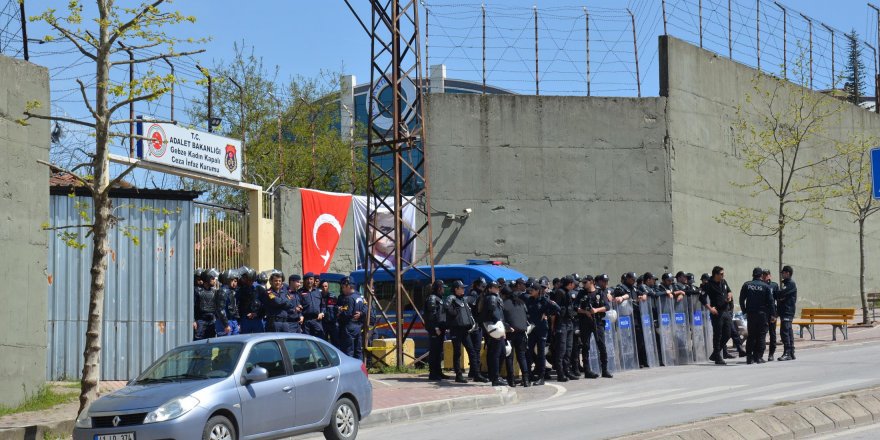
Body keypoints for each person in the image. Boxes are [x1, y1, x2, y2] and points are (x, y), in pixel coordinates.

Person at [446, 280, 484, 383]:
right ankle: (459, 375)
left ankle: (476, 374)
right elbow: (447, 308)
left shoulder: (463, 299)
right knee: (457, 353)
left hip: (465, 330)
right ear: (456, 289)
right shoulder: (451, 298)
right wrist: (455, 314)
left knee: (472, 352)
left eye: (464, 287)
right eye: (461, 288)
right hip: (456, 330)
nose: (464, 289)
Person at [579, 274, 613, 378]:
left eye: (585, 282)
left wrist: (596, 310)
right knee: (585, 346)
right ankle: (587, 371)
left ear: (592, 282)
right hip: (585, 322)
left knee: (601, 345)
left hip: (597, 321)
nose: (584, 284)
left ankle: (605, 370)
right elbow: (575, 308)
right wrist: (586, 312)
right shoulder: (582, 293)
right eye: (583, 283)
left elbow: (607, 307)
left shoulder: (599, 292)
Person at [740, 267, 776, 364]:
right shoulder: (765, 286)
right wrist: (773, 315)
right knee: (761, 336)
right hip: (762, 315)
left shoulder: (747, 285)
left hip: (751, 314)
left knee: (751, 336)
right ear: (761, 276)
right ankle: (758, 357)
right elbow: (771, 302)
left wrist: (744, 311)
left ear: (753, 275)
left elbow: (741, 299)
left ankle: (749, 357)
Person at [525, 281, 558, 386]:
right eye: (530, 290)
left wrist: (546, 313)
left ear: (538, 291)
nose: (530, 291)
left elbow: (557, 309)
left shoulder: (544, 300)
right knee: (528, 352)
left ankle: (541, 377)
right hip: (531, 330)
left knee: (541, 354)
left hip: (541, 329)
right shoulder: (529, 300)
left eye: (533, 290)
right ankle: (528, 376)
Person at [702, 266, 732, 365]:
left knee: (728, 333)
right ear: (716, 274)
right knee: (718, 335)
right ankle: (718, 357)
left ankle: (715, 353)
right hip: (717, 312)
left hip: (726, 311)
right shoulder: (708, 284)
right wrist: (710, 308)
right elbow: (702, 298)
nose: (723, 275)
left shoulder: (724, 282)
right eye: (721, 274)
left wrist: (729, 295)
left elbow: (729, 291)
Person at [479, 281, 508, 386]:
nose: (498, 289)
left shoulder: (493, 297)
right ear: (490, 288)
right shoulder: (492, 298)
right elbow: (495, 315)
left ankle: (494, 376)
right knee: (498, 354)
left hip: (494, 329)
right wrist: (501, 329)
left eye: (498, 287)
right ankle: (495, 378)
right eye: (495, 287)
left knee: (496, 353)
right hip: (495, 329)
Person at [551, 276, 579, 382]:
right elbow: (555, 310)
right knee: (561, 350)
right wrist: (553, 326)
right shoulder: (560, 292)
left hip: (569, 322)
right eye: (573, 284)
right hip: (561, 323)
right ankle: (560, 374)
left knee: (568, 349)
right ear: (569, 283)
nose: (575, 285)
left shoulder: (568, 292)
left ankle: (567, 371)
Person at [502, 285, 531, 387]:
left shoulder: (504, 304)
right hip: (522, 332)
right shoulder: (521, 303)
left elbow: (502, 319)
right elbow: (526, 316)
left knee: (509, 357)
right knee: (521, 357)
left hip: (510, 332)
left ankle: (511, 381)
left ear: (504, 295)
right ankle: (526, 380)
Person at [424, 280, 449, 381]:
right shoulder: (432, 298)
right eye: (443, 288)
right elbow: (431, 315)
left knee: (439, 352)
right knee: (434, 352)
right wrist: (436, 328)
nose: (444, 290)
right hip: (435, 330)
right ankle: (433, 374)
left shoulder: (439, 298)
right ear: (439, 288)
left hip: (440, 329)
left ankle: (438, 372)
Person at [338, 277, 367, 360]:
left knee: (348, 351)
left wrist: (339, 311)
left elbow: (347, 313)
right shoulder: (360, 297)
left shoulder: (349, 298)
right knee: (358, 350)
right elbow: (366, 307)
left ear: (348, 286)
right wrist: (361, 313)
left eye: (343, 287)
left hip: (348, 327)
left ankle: (350, 371)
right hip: (358, 326)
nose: (342, 289)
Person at [465, 278, 486, 380]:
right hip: (474, 326)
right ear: (478, 286)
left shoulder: (476, 294)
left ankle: (474, 371)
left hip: (475, 325)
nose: (484, 288)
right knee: (475, 350)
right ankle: (474, 372)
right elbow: (476, 310)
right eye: (482, 286)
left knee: (475, 350)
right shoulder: (474, 295)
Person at [777, 266, 798, 361]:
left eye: (783, 273)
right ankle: (791, 351)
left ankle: (787, 352)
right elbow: (781, 295)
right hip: (785, 311)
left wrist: (779, 295)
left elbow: (780, 294)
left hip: (787, 311)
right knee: (788, 331)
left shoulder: (790, 284)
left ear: (788, 273)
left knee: (784, 331)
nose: (782, 274)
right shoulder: (787, 284)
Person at [236, 267, 264, 334]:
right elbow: (237, 304)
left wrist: (258, 314)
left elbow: (265, 304)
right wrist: (238, 321)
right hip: (244, 319)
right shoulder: (240, 289)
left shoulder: (259, 288)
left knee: (259, 338)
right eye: (247, 279)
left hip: (257, 319)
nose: (248, 282)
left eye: (250, 280)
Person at [214, 269, 241, 336]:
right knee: (225, 344)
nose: (236, 283)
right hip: (225, 322)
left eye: (236, 281)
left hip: (233, 321)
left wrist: (237, 323)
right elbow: (220, 310)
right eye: (234, 281)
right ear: (228, 280)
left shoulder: (231, 291)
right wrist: (226, 325)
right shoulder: (223, 291)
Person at [299, 272, 326, 339]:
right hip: (306, 322)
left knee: (320, 341)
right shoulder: (300, 292)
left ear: (314, 280)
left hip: (317, 320)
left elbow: (323, 305)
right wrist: (300, 315)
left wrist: (322, 313)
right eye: (307, 279)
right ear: (304, 281)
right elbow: (297, 306)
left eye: (311, 279)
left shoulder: (318, 292)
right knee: (306, 341)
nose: (309, 281)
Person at [193, 269, 218, 340]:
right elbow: (193, 306)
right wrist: (193, 320)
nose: (214, 281)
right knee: (199, 342)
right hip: (201, 321)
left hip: (212, 321)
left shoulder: (214, 291)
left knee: (211, 342)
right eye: (212, 278)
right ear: (207, 278)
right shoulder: (197, 291)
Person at [761, 269, 780, 361]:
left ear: (770, 276)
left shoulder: (774, 285)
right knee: (762, 333)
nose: (765, 276)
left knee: (772, 333)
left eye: (767, 275)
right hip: (762, 313)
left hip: (772, 313)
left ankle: (771, 353)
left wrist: (776, 314)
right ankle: (761, 352)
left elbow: (778, 300)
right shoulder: (760, 285)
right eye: (764, 275)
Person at [320, 281, 339, 345]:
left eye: (325, 286)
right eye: (322, 286)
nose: (324, 288)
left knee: (335, 341)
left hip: (333, 322)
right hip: (323, 323)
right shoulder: (319, 297)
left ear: (328, 287)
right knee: (323, 342)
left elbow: (337, 307)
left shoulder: (333, 297)